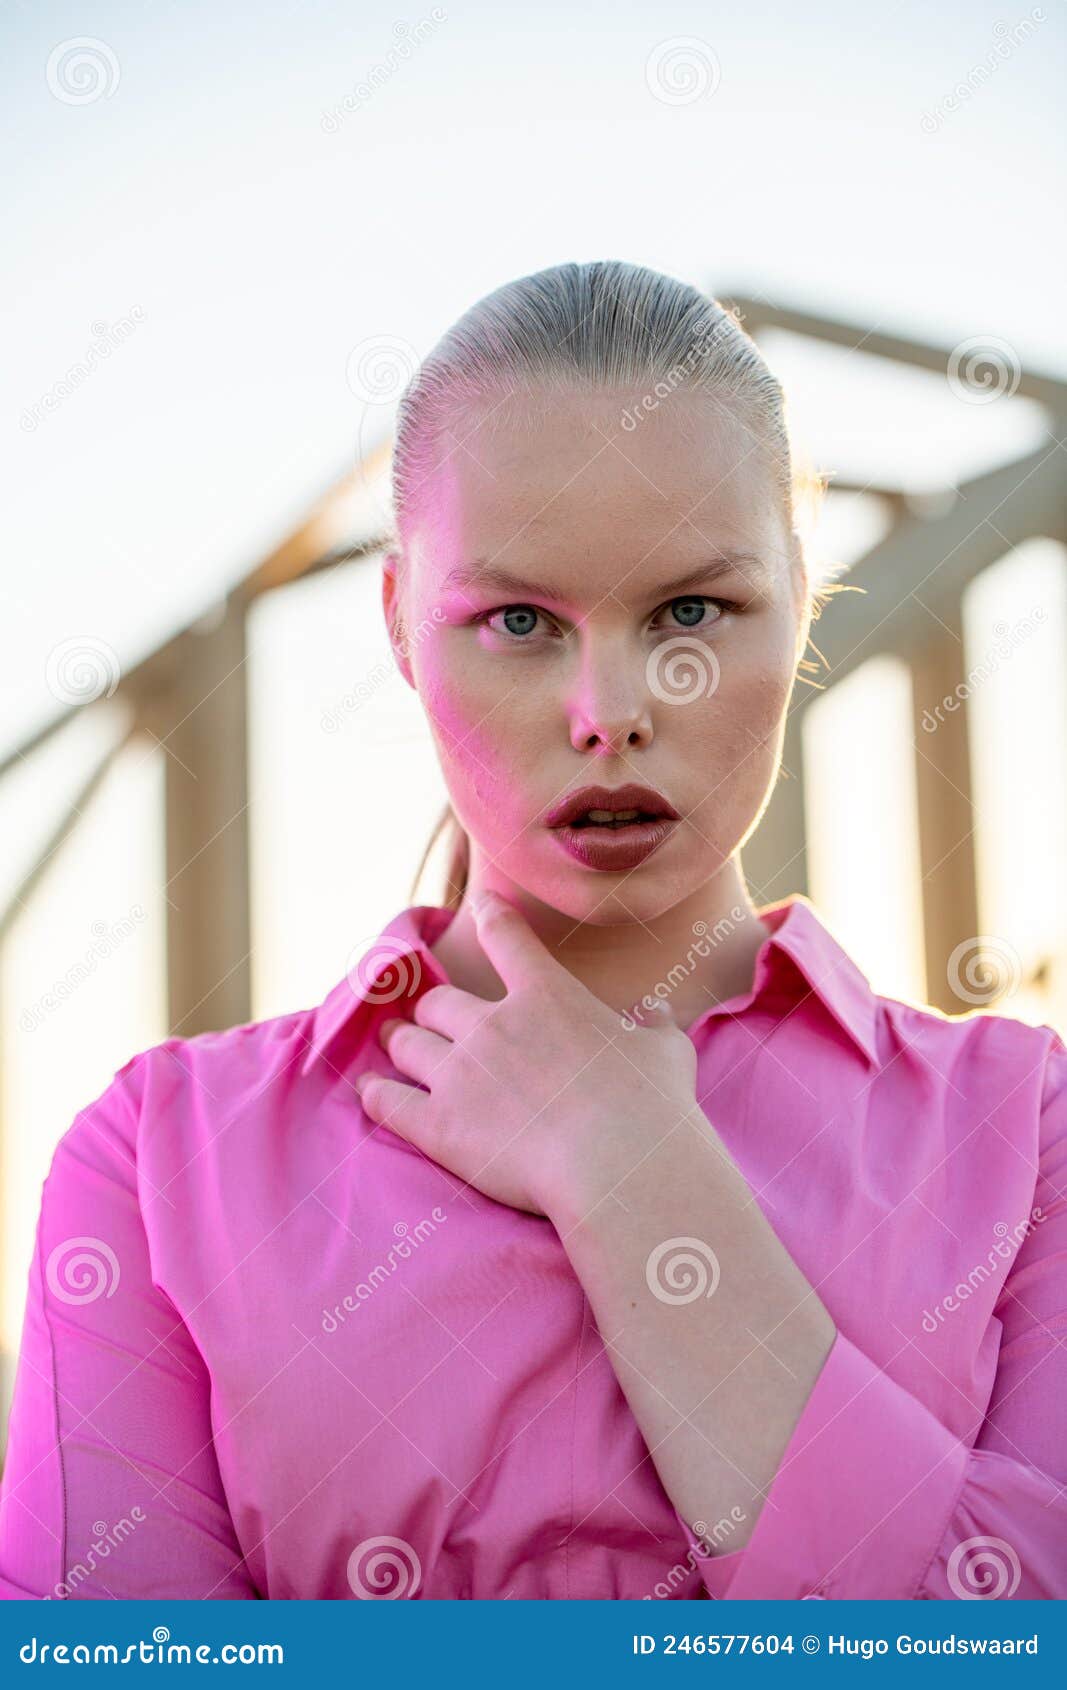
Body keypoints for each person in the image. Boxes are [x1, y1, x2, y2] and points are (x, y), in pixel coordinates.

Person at [1, 260, 1064, 1602]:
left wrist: (639, 1178)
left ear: (802, 595)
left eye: (692, 610)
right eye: (519, 620)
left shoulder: (1031, 1136)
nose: (608, 710)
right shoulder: (154, 1169)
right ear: (398, 623)